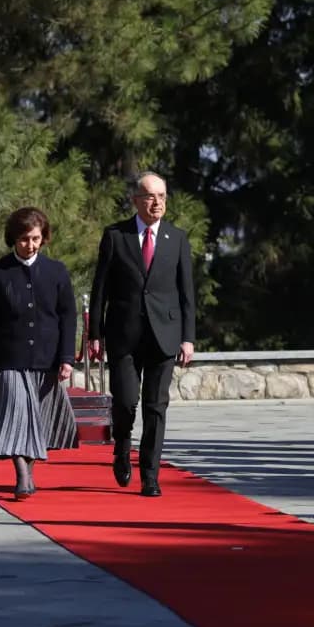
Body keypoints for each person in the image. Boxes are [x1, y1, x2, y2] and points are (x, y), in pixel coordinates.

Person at [89, 172, 196, 497]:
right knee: (125, 402)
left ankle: (150, 475)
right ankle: (122, 448)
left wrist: (188, 337)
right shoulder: (115, 236)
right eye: (150, 196)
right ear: (136, 200)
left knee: (156, 407)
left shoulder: (176, 238)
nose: (157, 202)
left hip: (165, 334)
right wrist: (95, 333)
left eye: (162, 196)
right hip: (124, 335)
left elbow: (186, 291)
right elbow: (100, 289)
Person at [0, 207, 78, 498]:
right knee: (15, 417)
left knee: (39, 421)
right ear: (13, 239)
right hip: (10, 358)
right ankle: (21, 472)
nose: (29, 245)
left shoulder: (56, 271)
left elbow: (68, 316)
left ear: (43, 238)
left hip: (48, 358)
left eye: (35, 238)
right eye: (23, 239)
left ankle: (29, 472)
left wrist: (67, 358)